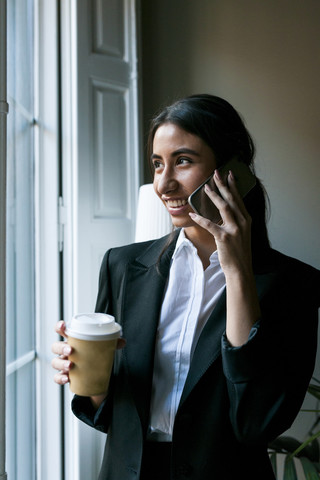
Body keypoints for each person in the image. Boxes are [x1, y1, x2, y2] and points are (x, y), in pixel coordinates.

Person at [52, 94, 320, 480]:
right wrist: (86, 372)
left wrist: (238, 274)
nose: (164, 183)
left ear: (232, 171)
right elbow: (106, 413)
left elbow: (256, 423)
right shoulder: (123, 265)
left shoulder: (294, 286)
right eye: (158, 164)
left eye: (183, 161)